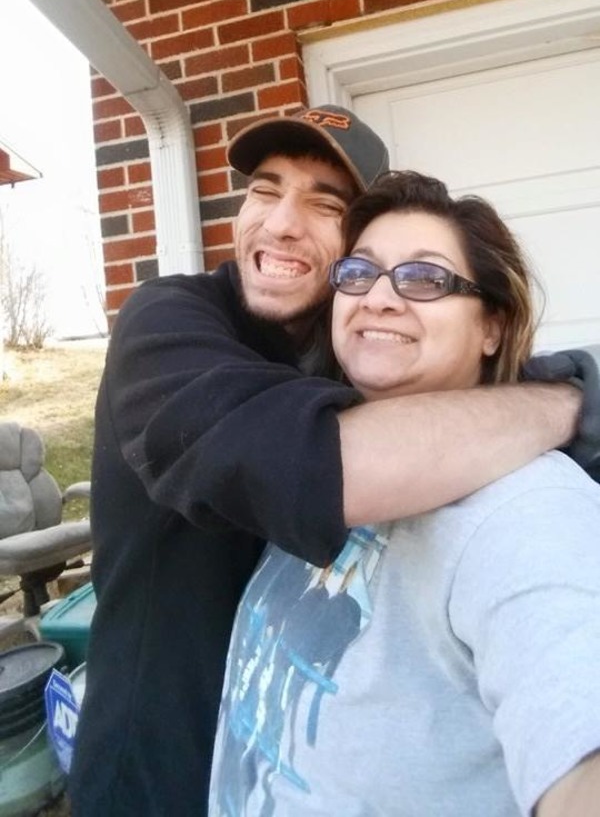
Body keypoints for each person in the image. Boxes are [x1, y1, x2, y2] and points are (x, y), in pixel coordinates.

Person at [69, 105, 592, 817]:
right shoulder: (169, 324)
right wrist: (571, 403)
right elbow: (317, 458)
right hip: (152, 775)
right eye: (264, 189)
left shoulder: (519, 504)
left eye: (325, 205)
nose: (282, 222)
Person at [209, 171, 600, 817]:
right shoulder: (315, 449)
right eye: (359, 272)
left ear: (492, 326)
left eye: (425, 278)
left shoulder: (528, 509)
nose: (379, 298)